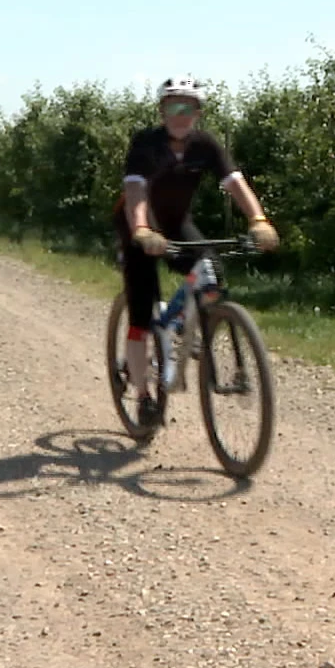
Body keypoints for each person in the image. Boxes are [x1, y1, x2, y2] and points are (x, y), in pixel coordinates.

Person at [112, 76, 278, 431]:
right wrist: (141, 230)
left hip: (175, 223)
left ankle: (191, 321)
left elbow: (234, 181)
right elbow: (136, 191)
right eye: (173, 106)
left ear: (198, 112)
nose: (180, 114)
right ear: (162, 111)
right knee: (141, 313)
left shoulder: (205, 145)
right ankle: (143, 396)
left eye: (188, 107)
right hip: (137, 226)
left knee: (211, 269)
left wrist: (259, 220)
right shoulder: (146, 144)